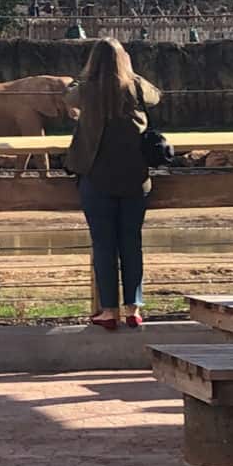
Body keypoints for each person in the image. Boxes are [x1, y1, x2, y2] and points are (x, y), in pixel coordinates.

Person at [64, 38, 162, 330]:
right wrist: (130, 73)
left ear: (93, 62)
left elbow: (68, 97)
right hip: (135, 178)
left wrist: (84, 76)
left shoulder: (85, 90)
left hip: (96, 178)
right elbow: (156, 96)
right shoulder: (136, 87)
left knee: (104, 245)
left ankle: (109, 311)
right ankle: (134, 308)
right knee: (132, 243)